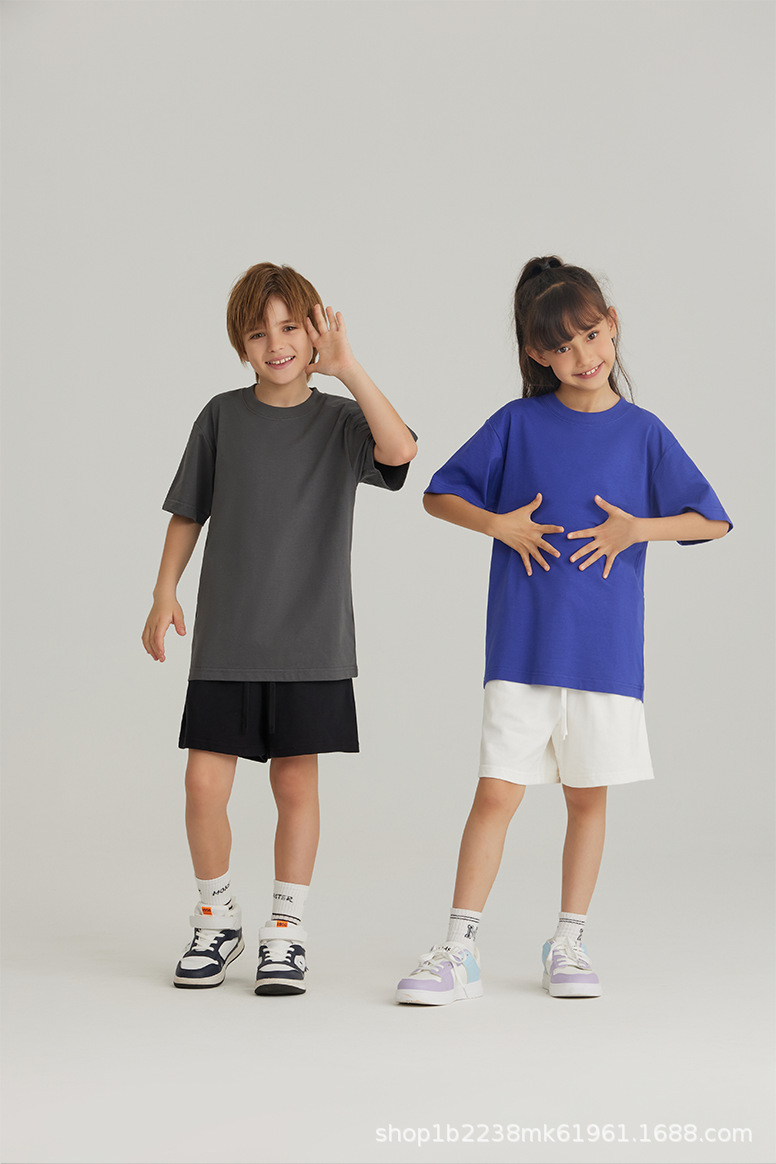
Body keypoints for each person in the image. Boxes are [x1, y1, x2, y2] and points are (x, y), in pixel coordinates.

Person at [395, 255, 730, 1004]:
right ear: (536, 353)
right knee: (496, 795)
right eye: (563, 345)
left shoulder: (643, 433)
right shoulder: (518, 423)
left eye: (592, 335)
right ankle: (459, 948)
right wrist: (498, 524)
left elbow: (711, 520)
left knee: (587, 799)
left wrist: (637, 529)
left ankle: (568, 941)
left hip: (605, 656)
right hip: (523, 649)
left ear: (613, 326)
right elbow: (438, 495)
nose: (583, 355)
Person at [142, 262, 417, 995]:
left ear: (314, 331)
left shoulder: (342, 421)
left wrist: (349, 367)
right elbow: (188, 510)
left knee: (295, 785)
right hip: (228, 640)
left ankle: (286, 931)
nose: (276, 344)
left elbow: (400, 452)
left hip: (311, 643)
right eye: (259, 333)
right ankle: (216, 917)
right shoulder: (221, 416)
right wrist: (164, 590)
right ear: (241, 343)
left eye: (290, 327)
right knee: (203, 783)